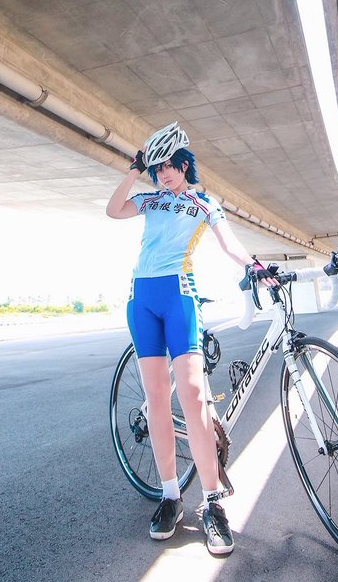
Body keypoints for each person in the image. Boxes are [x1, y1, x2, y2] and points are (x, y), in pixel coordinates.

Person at [106, 122, 277, 555]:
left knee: (194, 397)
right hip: (141, 300)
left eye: (169, 166)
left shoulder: (203, 202)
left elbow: (230, 244)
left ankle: (213, 503)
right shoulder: (149, 199)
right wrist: (135, 168)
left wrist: (254, 265)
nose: (163, 174)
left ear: (184, 165)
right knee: (157, 400)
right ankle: (170, 496)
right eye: (157, 168)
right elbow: (113, 209)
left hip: (179, 298)